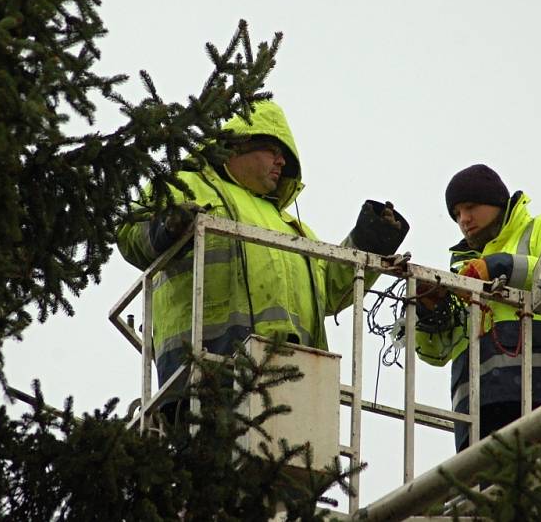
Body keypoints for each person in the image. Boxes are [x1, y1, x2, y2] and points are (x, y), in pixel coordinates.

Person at [117, 100, 409, 419]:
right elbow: (130, 231)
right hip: (204, 368)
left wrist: (367, 243)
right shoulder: (186, 185)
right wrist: (168, 226)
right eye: (273, 149)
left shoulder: (289, 225)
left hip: (294, 380)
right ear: (237, 146)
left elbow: (330, 291)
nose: (282, 162)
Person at [415, 164, 541, 452]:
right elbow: (437, 353)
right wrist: (429, 312)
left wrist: (499, 266)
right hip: (480, 408)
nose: (464, 219)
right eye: (456, 214)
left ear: (497, 202)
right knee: (490, 493)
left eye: (471, 207)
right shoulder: (461, 268)